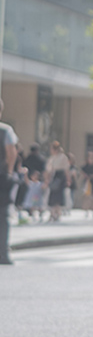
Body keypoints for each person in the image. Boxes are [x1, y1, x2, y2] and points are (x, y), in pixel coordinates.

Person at [0, 98, 18, 265]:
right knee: (3, 214)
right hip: (2, 176)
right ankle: (3, 253)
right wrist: (10, 171)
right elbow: (11, 152)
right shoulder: (5, 130)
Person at [44, 141, 70, 222]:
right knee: (53, 195)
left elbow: (66, 169)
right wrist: (47, 179)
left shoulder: (62, 157)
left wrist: (68, 179)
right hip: (54, 175)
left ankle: (57, 212)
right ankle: (53, 213)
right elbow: (48, 170)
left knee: (58, 196)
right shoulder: (52, 158)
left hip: (60, 176)